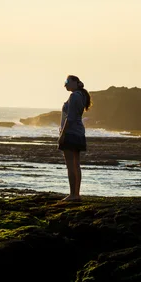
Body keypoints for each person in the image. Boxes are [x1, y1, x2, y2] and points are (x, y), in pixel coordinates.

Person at [58, 74, 92, 202]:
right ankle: (76, 193)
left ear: (75, 82)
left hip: (71, 134)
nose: (65, 84)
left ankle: (73, 194)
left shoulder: (74, 96)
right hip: (79, 133)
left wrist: (62, 135)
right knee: (76, 165)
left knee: (71, 166)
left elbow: (70, 118)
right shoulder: (81, 95)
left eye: (67, 81)